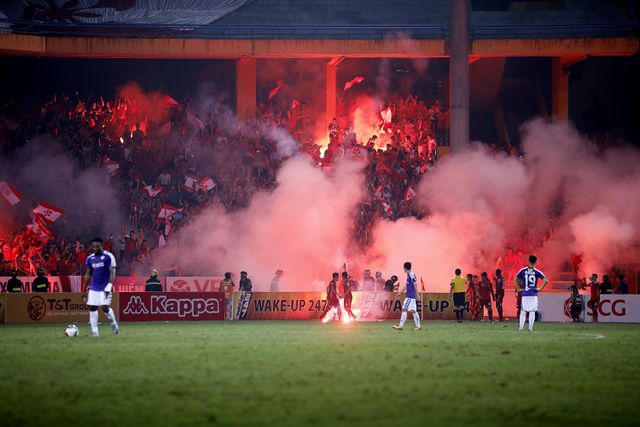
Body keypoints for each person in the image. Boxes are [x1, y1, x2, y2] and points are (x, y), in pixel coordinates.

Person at [83, 238, 119, 337]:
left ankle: (114, 323)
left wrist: (109, 285)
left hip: (105, 287)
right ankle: (95, 332)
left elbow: (113, 272)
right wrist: (83, 290)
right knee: (92, 308)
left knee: (105, 308)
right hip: (94, 287)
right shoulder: (90, 258)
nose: (94, 248)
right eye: (93, 246)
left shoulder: (109, 256)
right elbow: (87, 274)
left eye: (97, 246)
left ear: (101, 246)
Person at [514, 255, 547, 332]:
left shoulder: (523, 270)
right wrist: (540, 289)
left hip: (525, 294)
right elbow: (546, 280)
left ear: (528, 261)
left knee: (523, 311)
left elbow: (515, 279)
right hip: (533, 294)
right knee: (532, 311)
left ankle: (521, 328)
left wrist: (518, 288)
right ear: (535, 262)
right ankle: (530, 329)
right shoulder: (537, 271)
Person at [393, 262, 421, 331]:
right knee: (414, 311)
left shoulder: (411, 275)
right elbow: (406, 285)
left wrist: (417, 294)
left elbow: (415, 284)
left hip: (410, 296)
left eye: (403, 268)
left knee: (404, 309)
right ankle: (418, 326)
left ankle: (401, 325)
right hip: (411, 296)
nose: (403, 269)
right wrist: (400, 292)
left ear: (405, 268)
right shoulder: (409, 275)